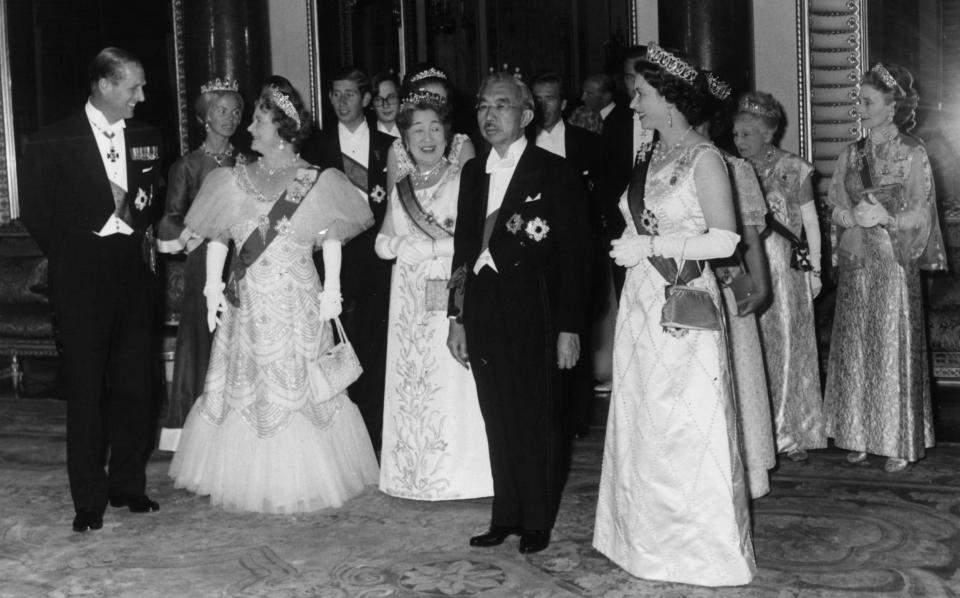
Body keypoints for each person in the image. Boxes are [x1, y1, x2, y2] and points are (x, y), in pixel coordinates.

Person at [168, 78, 379, 513]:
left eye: (259, 122)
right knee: (246, 384)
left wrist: (333, 291)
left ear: (282, 128)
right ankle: (245, 475)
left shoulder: (314, 180)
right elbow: (220, 239)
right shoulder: (232, 179)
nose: (249, 130)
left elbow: (332, 236)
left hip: (297, 299)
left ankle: (304, 474)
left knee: (299, 385)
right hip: (247, 301)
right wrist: (212, 289)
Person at [593, 43, 755, 586]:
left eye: (640, 93)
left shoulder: (704, 158)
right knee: (645, 419)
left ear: (669, 98)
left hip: (681, 303)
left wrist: (651, 243)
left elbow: (726, 238)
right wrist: (633, 244)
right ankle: (642, 543)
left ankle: (695, 550)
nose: (634, 102)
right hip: (642, 303)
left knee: (684, 425)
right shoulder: (650, 156)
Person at [447, 69, 591, 554]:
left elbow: (577, 258)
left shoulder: (556, 172)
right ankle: (504, 513)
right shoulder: (472, 172)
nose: (490, 115)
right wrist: (456, 316)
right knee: (497, 415)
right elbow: (464, 250)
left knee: (537, 418)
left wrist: (570, 327)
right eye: (484, 106)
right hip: (485, 311)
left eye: (502, 105)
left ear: (527, 115)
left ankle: (536, 518)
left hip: (537, 311)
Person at [20, 47, 163, 532]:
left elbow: (150, 200)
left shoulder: (147, 135)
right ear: (104, 85)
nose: (141, 97)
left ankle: (128, 485)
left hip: (134, 273)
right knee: (85, 388)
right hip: (82, 274)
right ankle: (88, 498)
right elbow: (39, 213)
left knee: (135, 384)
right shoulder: (50, 140)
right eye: (133, 88)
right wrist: (97, 227)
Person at [823, 63, 946, 472]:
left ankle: (895, 438)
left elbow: (922, 215)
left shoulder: (912, 153)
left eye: (867, 101)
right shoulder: (850, 154)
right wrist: (850, 218)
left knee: (889, 345)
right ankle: (857, 433)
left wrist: (888, 220)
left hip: (894, 261)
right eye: (859, 100)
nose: (860, 108)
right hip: (860, 261)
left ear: (892, 106)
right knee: (856, 345)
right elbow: (834, 203)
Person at [374, 91, 492, 500]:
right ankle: (412, 473)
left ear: (448, 134)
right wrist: (392, 248)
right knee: (413, 375)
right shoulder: (402, 186)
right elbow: (383, 238)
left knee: (449, 374)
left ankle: (460, 476)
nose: (427, 138)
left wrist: (431, 249)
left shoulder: (464, 180)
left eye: (435, 128)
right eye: (417, 130)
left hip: (446, 283)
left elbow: (474, 240)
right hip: (407, 295)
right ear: (404, 140)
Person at [301, 66, 396, 453]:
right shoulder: (315, 149)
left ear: (367, 99)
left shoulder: (390, 143)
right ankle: (343, 443)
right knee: (337, 347)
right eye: (335, 94)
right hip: (331, 261)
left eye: (350, 94)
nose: (341, 102)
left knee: (375, 347)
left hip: (378, 261)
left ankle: (374, 436)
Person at [734, 91, 826, 462]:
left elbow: (810, 224)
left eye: (747, 135)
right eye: (736, 134)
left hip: (785, 269)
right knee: (749, 344)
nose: (739, 142)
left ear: (768, 134)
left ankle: (789, 431)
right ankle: (752, 427)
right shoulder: (728, 168)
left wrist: (816, 270)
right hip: (743, 266)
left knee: (787, 346)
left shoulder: (793, 168)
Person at [698, 71, 776, 498]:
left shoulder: (733, 167)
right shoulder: (657, 161)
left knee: (734, 373)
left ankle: (740, 472)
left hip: (727, 286)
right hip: (680, 285)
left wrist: (759, 286)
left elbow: (748, 238)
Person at [156, 78, 244, 451]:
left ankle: (240, 431)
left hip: (243, 262)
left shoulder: (248, 162)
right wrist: (199, 235)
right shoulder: (187, 166)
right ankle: (197, 436)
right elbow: (170, 218)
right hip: (203, 264)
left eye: (236, 111)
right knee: (202, 344)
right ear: (205, 116)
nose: (231, 118)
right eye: (222, 110)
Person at [532, 71, 603, 439]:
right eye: (537, 98)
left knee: (575, 333)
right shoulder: (521, 143)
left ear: (562, 103)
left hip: (575, 251)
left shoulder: (587, 143)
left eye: (550, 98)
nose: (543, 105)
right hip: (533, 252)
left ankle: (576, 420)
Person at [386, 65, 476, 195]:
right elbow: (393, 208)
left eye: (440, 103)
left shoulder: (462, 146)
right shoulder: (397, 150)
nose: (433, 111)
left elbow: (469, 202)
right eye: (426, 103)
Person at [370, 70, 401, 137]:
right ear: (372, 105)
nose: (386, 105)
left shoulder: (410, 131)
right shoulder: (367, 135)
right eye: (378, 99)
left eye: (391, 97)